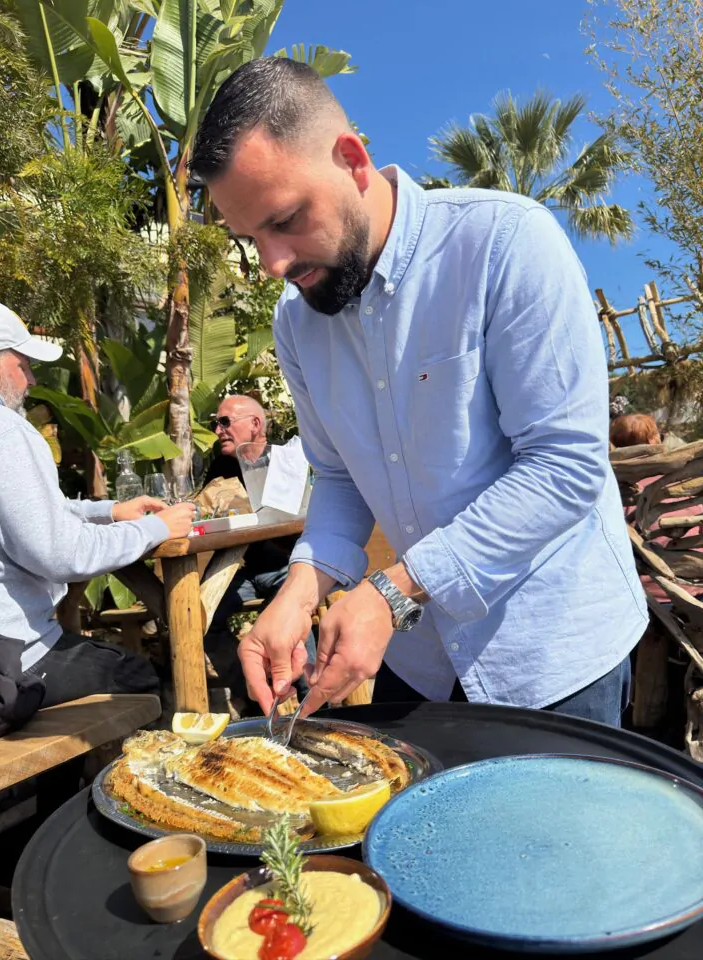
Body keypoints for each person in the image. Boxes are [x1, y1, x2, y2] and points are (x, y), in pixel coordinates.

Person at [190, 58, 647, 726]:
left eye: (285, 220)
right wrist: (300, 585)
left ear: (351, 159)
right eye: (251, 237)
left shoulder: (503, 245)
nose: (274, 264)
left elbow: (564, 467)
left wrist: (393, 592)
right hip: (422, 659)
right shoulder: (297, 322)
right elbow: (339, 477)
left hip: (550, 652)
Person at [0, 300, 196, 707]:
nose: (29, 379)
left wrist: (108, 512)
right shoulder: (3, 431)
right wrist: (157, 529)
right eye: (22, 365)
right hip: (4, 663)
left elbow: (16, 514)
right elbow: (60, 555)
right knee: (137, 678)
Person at [203, 394, 315, 693]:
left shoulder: (287, 462)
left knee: (292, 610)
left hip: (288, 564)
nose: (218, 430)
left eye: (225, 422)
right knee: (200, 614)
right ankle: (251, 690)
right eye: (216, 423)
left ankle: (312, 703)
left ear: (255, 424)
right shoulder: (220, 468)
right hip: (246, 570)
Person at [611, 412, 703, 602]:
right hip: (689, 590)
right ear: (653, 440)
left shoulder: (611, 490)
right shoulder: (682, 483)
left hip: (640, 596)